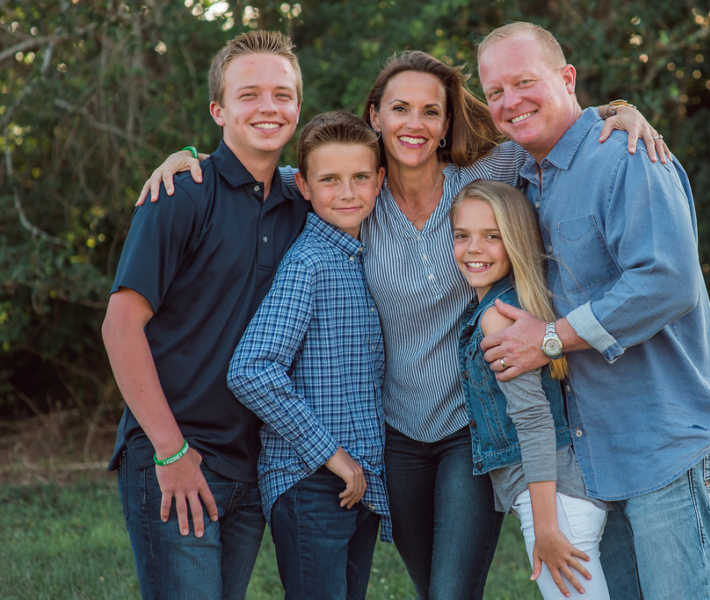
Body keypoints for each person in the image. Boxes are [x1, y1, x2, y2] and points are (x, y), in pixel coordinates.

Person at [139, 49, 667, 599]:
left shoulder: (483, 176)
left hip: (465, 427)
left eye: (430, 112)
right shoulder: (356, 192)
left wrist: (616, 110)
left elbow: (547, 130)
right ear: (375, 116)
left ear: (444, 125)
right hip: (394, 435)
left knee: (450, 591)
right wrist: (191, 159)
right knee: (425, 584)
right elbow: (261, 163)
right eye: (399, 109)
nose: (414, 124)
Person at [476, 22, 710, 599]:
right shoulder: (522, 174)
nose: (510, 101)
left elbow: (668, 281)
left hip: (672, 440)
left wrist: (550, 338)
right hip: (602, 455)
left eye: (525, 81)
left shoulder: (624, 155)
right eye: (496, 91)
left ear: (566, 77)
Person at [100, 30, 307, 599]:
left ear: (298, 107)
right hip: (175, 452)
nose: (268, 107)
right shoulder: (183, 192)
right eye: (250, 95)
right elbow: (120, 325)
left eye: (283, 94)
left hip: (251, 462)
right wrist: (171, 452)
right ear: (218, 110)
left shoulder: (301, 203)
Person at [227, 111, 389, 599]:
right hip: (310, 481)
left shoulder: (362, 254)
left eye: (360, 177)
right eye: (330, 180)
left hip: (355, 480)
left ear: (380, 180)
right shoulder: (309, 263)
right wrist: (332, 456)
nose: (347, 193)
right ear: (304, 186)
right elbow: (251, 370)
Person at [451, 180, 610, 600]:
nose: (474, 249)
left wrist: (546, 529)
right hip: (558, 500)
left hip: (555, 505)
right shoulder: (507, 303)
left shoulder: (499, 318)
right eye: (462, 235)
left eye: (492, 236)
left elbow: (535, 421)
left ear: (515, 240)